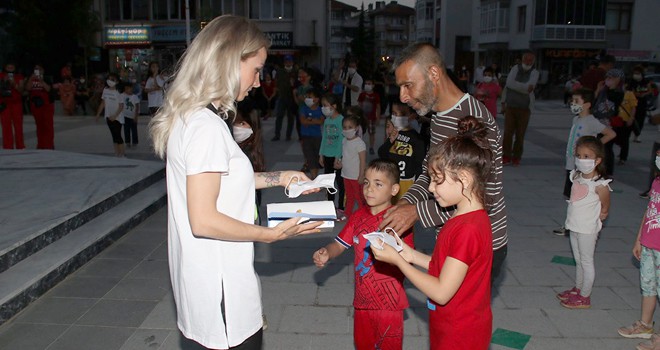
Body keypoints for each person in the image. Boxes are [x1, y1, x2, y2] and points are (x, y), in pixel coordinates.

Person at [148, 15, 322, 350]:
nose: (258, 81)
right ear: (229, 61)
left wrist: (281, 177)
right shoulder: (205, 127)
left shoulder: (198, 117)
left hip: (211, 285)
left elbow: (222, 181)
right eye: (256, 69)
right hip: (220, 293)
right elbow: (204, 219)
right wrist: (270, 234)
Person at [379, 43, 508, 282]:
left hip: (478, 246)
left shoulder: (474, 120)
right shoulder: (440, 118)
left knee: (462, 318)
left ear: (434, 74)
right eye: (400, 88)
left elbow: (484, 196)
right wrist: (406, 202)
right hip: (452, 239)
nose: (403, 96)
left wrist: (416, 212)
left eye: (408, 85)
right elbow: (432, 173)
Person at [371, 116, 493, 349]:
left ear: (464, 179)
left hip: (460, 334)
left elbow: (441, 292)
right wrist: (409, 254)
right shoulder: (463, 216)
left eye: (437, 180)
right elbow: (448, 267)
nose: (430, 188)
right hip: (452, 324)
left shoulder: (468, 229)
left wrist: (398, 262)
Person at [313, 159, 414, 350]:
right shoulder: (358, 217)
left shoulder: (399, 221)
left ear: (394, 190)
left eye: (378, 184)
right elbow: (340, 244)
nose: (369, 189)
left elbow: (408, 260)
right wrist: (328, 252)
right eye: (366, 182)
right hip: (362, 301)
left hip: (390, 305)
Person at [556, 136, 611, 309]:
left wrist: (603, 213)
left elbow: (605, 202)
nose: (581, 160)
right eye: (579, 155)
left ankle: (585, 296)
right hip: (574, 225)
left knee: (586, 261)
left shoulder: (599, 184)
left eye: (587, 156)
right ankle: (578, 288)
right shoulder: (577, 176)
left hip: (587, 229)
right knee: (578, 259)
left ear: (598, 160)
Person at [553, 88, 616, 236]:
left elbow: (611, 133)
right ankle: (570, 223)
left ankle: (579, 224)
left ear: (587, 105)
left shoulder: (591, 121)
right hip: (572, 164)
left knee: (580, 196)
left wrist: (594, 147)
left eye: (576, 101)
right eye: (572, 101)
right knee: (571, 195)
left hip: (584, 167)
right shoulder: (576, 119)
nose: (573, 104)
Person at [618, 151, 660, 348]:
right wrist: (639, 239)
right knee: (648, 286)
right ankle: (645, 325)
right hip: (649, 244)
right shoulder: (657, 182)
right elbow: (649, 210)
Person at [378, 99, 425, 202]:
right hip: (390, 180)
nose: (397, 117)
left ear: (411, 116)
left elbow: (419, 166)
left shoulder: (417, 139)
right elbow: (381, 154)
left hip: (407, 183)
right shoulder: (393, 134)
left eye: (402, 114)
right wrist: (389, 141)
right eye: (394, 113)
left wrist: (417, 188)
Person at [502, 51, 539, 166]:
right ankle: (506, 155)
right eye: (526, 59)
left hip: (524, 108)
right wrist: (524, 87)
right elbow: (508, 84)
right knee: (508, 133)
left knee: (520, 134)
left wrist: (516, 85)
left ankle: (517, 157)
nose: (528, 62)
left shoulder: (535, 72)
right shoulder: (515, 69)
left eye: (530, 60)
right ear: (522, 59)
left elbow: (530, 88)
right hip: (510, 107)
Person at [319, 93, 345, 219]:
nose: (323, 108)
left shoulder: (341, 120)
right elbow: (324, 138)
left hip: (337, 156)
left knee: (340, 182)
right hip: (327, 155)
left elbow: (341, 139)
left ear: (334, 106)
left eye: (325, 105)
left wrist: (338, 157)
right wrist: (321, 154)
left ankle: (341, 207)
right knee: (329, 182)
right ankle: (330, 205)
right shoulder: (327, 121)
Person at [337, 114, 367, 217]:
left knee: (359, 196)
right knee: (349, 196)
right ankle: (347, 213)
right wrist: (340, 162)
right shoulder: (344, 141)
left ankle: (363, 215)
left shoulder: (359, 143)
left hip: (356, 176)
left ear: (357, 128)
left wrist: (362, 175)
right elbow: (345, 155)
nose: (347, 130)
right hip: (346, 174)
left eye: (350, 127)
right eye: (345, 127)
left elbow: (363, 161)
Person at [95, 73, 125, 157]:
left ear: (117, 81)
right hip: (108, 116)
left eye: (113, 79)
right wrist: (98, 114)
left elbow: (121, 106)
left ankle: (122, 154)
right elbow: (103, 103)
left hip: (117, 117)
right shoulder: (105, 90)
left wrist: (115, 116)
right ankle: (117, 153)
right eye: (109, 79)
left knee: (118, 135)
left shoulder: (119, 92)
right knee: (114, 136)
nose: (110, 81)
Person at [26, 64, 55, 149]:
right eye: (36, 69)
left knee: (48, 125)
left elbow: (49, 89)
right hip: (36, 104)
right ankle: (41, 144)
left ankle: (49, 145)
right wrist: (31, 79)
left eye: (39, 69)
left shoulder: (47, 78)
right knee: (39, 125)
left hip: (47, 105)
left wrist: (41, 80)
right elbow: (28, 88)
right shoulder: (31, 78)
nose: (37, 70)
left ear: (43, 70)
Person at [299, 88, 324, 179]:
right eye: (306, 97)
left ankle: (315, 174)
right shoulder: (304, 108)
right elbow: (303, 121)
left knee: (317, 156)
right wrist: (314, 121)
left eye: (310, 97)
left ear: (317, 99)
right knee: (309, 156)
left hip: (318, 137)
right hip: (306, 136)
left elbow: (321, 121)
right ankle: (314, 176)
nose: (307, 99)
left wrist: (309, 120)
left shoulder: (321, 109)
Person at [0, 62, 25, 149]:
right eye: (8, 67)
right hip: (4, 104)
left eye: (12, 67)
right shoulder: (1, 75)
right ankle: (8, 146)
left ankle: (20, 145)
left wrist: (14, 83)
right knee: (6, 125)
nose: (10, 69)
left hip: (16, 103)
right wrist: (3, 81)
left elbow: (21, 91)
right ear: (5, 67)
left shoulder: (19, 77)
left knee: (18, 125)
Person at [271, 55, 297, 141]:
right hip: (282, 96)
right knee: (279, 116)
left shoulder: (295, 71)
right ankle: (277, 135)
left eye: (289, 61)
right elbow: (276, 82)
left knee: (291, 117)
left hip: (291, 97)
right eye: (286, 61)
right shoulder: (280, 71)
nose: (288, 63)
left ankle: (288, 135)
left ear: (292, 62)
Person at [630, 66, 657, 143]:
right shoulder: (631, 81)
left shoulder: (645, 81)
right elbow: (628, 90)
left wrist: (644, 94)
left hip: (642, 102)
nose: (636, 75)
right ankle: (633, 133)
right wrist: (634, 94)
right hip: (632, 102)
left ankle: (637, 135)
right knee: (632, 118)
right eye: (635, 73)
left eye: (638, 73)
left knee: (640, 119)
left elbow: (650, 90)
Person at [358, 77, 381, 155]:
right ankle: (359, 147)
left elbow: (378, 107)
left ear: (373, 85)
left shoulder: (376, 95)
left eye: (369, 84)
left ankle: (371, 147)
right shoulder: (362, 94)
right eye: (366, 84)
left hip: (372, 117)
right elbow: (359, 105)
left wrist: (378, 117)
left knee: (371, 133)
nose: (367, 85)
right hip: (362, 117)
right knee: (360, 132)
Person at [121, 82, 140, 148]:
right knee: (126, 129)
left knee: (134, 129)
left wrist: (136, 116)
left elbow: (137, 106)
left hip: (133, 116)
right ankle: (127, 142)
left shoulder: (134, 97)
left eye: (130, 89)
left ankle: (135, 142)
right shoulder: (122, 95)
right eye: (127, 89)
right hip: (125, 115)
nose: (129, 90)